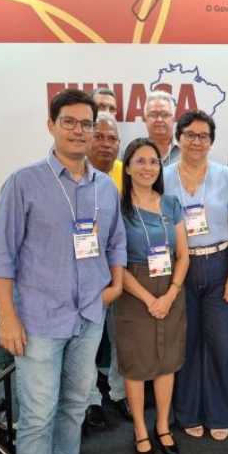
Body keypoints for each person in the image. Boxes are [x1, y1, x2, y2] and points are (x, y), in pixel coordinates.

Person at [0, 89, 127, 454]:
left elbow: (115, 243)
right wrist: (8, 317)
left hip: (88, 316)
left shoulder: (105, 187)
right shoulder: (23, 182)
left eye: (87, 124)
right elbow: (1, 255)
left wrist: (113, 287)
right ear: (52, 125)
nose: (79, 130)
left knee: (75, 407)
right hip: (38, 320)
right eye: (69, 122)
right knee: (37, 417)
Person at [164, 110, 228, 441]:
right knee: (185, 343)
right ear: (178, 138)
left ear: (212, 142)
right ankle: (187, 412)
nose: (196, 141)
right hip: (179, 268)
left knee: (222, 343)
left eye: (203, 136)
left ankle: (221, 412)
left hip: (219, 265)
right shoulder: (163, 175)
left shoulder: (227, 176)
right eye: (189, 134)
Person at [117, 137, 190, 454]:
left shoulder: (171, 203)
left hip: (171, 288)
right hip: (134, 293)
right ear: (128, 167)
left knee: (166, 363)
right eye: (140, 161)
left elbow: (184, 255)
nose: (148, 167)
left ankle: (162, 425)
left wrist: (171, 293)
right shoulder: (118, 208)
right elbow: (115, 263)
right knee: (136, 366)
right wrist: (150, 299)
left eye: (153, 161)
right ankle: (140, 430)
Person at [84, 112, 131, 430]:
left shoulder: (126, 175)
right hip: (84, 275)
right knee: (87, 343)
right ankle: (89, 401)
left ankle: (119, 392)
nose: (106, 144)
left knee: (122, 339)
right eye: (99, 136)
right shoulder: (73, 176)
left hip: (119, 272)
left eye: (113, 138)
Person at [145, 90, 181, 166]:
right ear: (145, 119)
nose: (159, 119)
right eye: (153, 114)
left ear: (173, 119)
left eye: (165, 114)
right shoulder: (135, 152)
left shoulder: (186, 152)